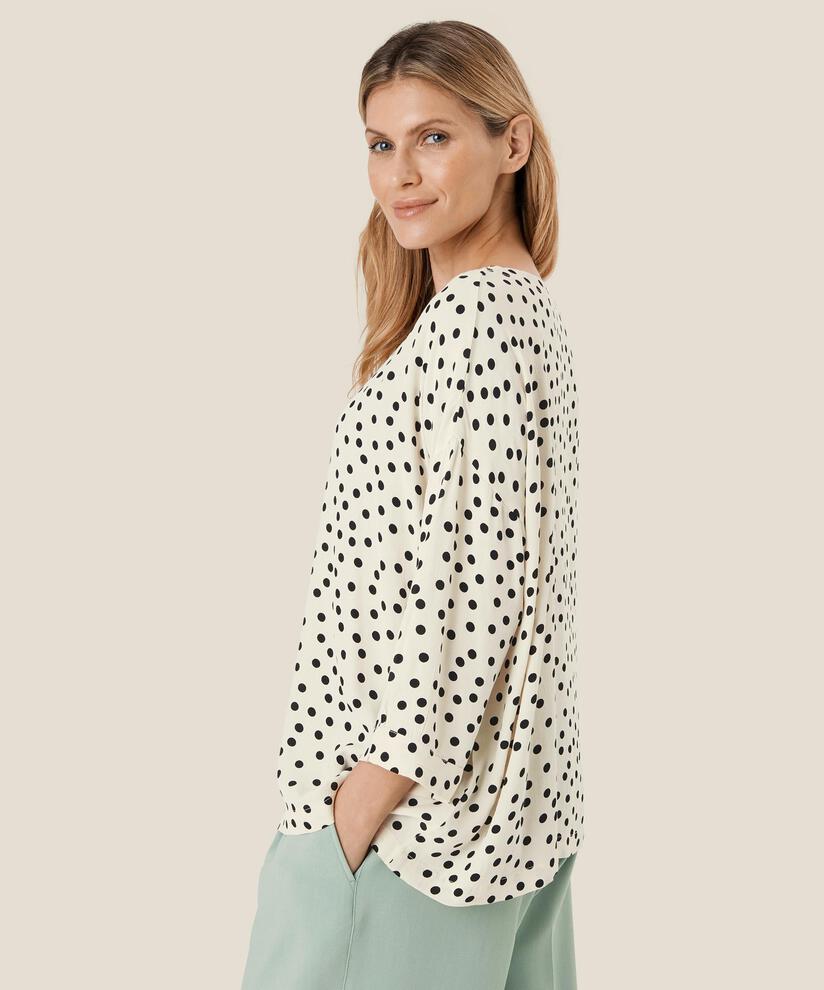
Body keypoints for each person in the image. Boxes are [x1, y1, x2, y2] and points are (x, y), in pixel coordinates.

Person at [240, 19, 585, 990]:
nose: (400, 174)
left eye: (434, 137)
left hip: (405, 837)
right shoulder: (513, 315)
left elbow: (473, 592)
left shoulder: (479, 324)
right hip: (500, 827)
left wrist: (363, 803)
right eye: (380, 143)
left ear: (511, 144)